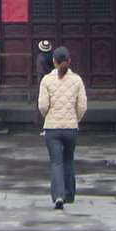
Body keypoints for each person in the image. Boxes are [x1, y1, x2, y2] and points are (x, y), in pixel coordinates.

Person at [37, 46, 87, 209]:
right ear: (69, 61)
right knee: (68, 160)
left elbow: (43, 105)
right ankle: (70, 194)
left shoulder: (47, 80)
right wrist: (75, 119)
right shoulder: (77, 80)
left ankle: (58, 196)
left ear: (53, 61)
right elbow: (82, 105)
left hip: (52, 128)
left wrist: (48, 117)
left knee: (56, 162)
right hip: (71, 127)